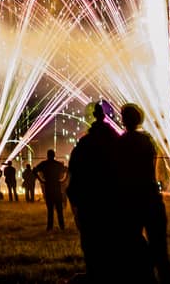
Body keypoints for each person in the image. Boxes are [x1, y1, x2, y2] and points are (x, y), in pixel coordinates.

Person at [119, 102, 170, 284]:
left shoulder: (122, 142)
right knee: (161, 251)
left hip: (132, 199)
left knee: (132, 245)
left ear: (125, 120)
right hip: (151, 197)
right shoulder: (147, 141)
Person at [67, 102, 123, 279]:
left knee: (91, 244)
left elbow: (74, 171)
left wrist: (74, 197)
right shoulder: (118, 143)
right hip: (114, 202)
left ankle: (94, 274)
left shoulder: (84, 144)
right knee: (114, 242)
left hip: (89, 202)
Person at [36, 150, 66, 230]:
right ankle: (62, 226)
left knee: (50, 210)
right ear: (54, 155)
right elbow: (67, 171)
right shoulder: (58, 164)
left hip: (48, 188)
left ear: (47, 155)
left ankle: (50, 227)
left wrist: (41, 180)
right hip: (57, 188)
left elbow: (34, 170)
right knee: (59, 210)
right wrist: (63, 180)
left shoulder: (44, 164)